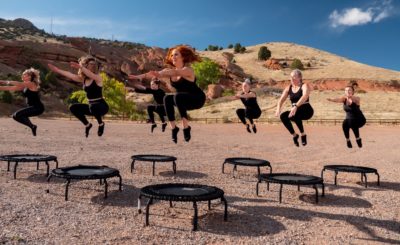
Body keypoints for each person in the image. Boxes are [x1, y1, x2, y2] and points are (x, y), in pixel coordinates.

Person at [130, 45, 205, 143]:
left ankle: (186, 127)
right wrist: (139, 77)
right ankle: (174, 128)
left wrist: (162, 74)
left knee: (178, 96)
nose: (173, 57)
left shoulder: (188, 70)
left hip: (197, 99)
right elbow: (154, 73)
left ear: (183, 57)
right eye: (172, 55)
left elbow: (175, 72)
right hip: (182, 101)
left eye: (176, 54)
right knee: (167, 98)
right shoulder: (169, 71)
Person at [48, 55, 109, 137]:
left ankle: (101, 124)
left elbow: (90, 74)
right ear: (86, 66)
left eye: (94, 64)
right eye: (90, 64)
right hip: (92, 107)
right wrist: (57, 70)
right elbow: (70, 75)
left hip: (102, 106)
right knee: (73, 107)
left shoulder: (97, 78)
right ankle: (87, 125)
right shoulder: (83, 79)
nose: (93, 65)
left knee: (93, 107)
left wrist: (81, 67)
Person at [0, 68, 44, 136]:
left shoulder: (32, 84)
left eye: (24, 75)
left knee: (17, 115)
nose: (22, 76)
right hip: (33, 107)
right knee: (15, 116)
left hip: (38, 107)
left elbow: (19, 83)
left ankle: (33, 126)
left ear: (29, 76)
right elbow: (9, 88)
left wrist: (6, 81)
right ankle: (32, 126)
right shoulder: (24, 86)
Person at [275, 69, 313, 146]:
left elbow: (305, 96)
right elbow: (281, 100)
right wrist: (278, 108)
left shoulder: (304, 85)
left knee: (294, 113)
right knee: (283, 116)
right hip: (295, 111)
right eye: (291, 77)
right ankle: (294, 135)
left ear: (300, 78)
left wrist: (295, 106)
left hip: (307, 111)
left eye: (294, 77)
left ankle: (303, 134)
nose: (291, 79)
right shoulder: (288, 88)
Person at [327, 83, 366, 148]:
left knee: (352, 122)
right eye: (346, 90)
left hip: (358, 118)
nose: (348, 91)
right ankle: (348, 140)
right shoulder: (344, 99)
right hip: (349, 118)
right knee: (344, 124)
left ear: (353, 92)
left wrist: (351, 101)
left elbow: (354, 105)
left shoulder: (357, 98)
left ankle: (358, 138)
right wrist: (331, 99)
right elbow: (337, 99)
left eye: (349, 90)